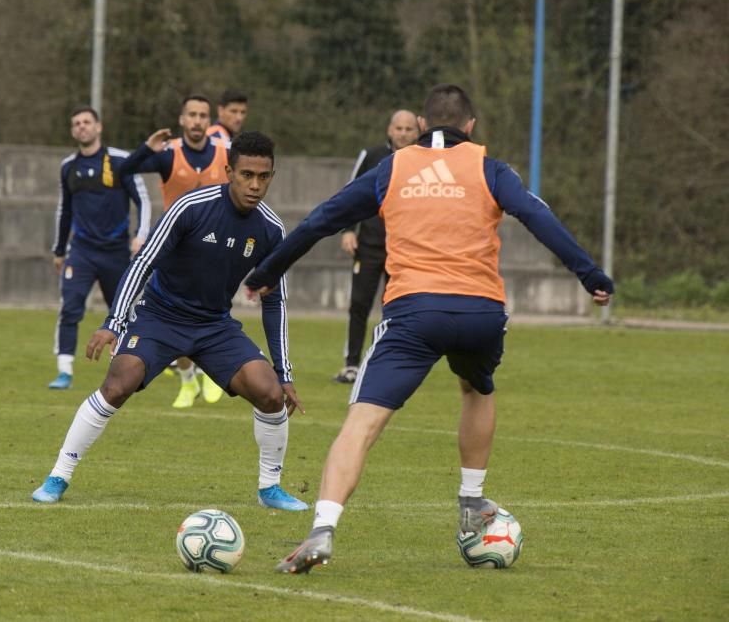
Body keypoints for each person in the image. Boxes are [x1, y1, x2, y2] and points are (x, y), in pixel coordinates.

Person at [244, 84, 614, 573]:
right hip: (481, 314)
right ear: (471, 127)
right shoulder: (491, 169)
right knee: (476, 387)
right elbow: (536, 215)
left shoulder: (392, 168)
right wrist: (590, 274)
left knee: (363, 423)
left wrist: (267, 271)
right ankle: (470, 501)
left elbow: (322, 220)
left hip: (414, 314)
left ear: (420, 126)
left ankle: (323, 529)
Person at [32, 131, 309, 512]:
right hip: (160, 316)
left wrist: (285, 371)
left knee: (270, 393)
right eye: (247, 174)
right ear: (229, 171)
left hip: (214, 325)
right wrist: (114, 321)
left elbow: (274, 301)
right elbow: (143, 263)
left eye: (264, 176)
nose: (255, 185)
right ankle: (59, 475)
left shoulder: (271, 230)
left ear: (272, 176)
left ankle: (270, 488)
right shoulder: (191, 207)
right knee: (118, 384)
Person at [117, 94, 231, 407]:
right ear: (182, 120)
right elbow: (124, 171)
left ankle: (208, 373)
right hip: (175, 250)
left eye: (202, 115)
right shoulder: (169, 155)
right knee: (174, 316)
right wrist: (146, 149)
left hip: (215, 249)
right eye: (191, 115)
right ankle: (187, 380)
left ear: (209, 121)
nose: (197, 121)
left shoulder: (225, 153)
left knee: (213, 314)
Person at [48, 105, 151, 390]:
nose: (81, 126)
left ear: (98, 127)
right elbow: (64, 210)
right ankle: (64, 371)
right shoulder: (68, 166)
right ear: (73, 131)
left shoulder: (121, 161)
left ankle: (131, 368)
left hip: (116, 252)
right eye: (76, 123)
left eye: (86, 122)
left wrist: (140, 235)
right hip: (81, 252)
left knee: (124, 312)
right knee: (69, 307)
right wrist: (59, 250)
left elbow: (143, 200)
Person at [334, 109, 419, 384]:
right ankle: (351, 364)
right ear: (389, 130)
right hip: (369, 245)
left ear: (417, 132)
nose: (403, 134)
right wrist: (348, 230)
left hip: (405, 248)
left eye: (409, 129)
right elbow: (351, 194)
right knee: (359, 304)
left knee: (397, 307)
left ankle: (390, 364)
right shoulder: (371, 157)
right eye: (399, 128)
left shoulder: (424, 160)